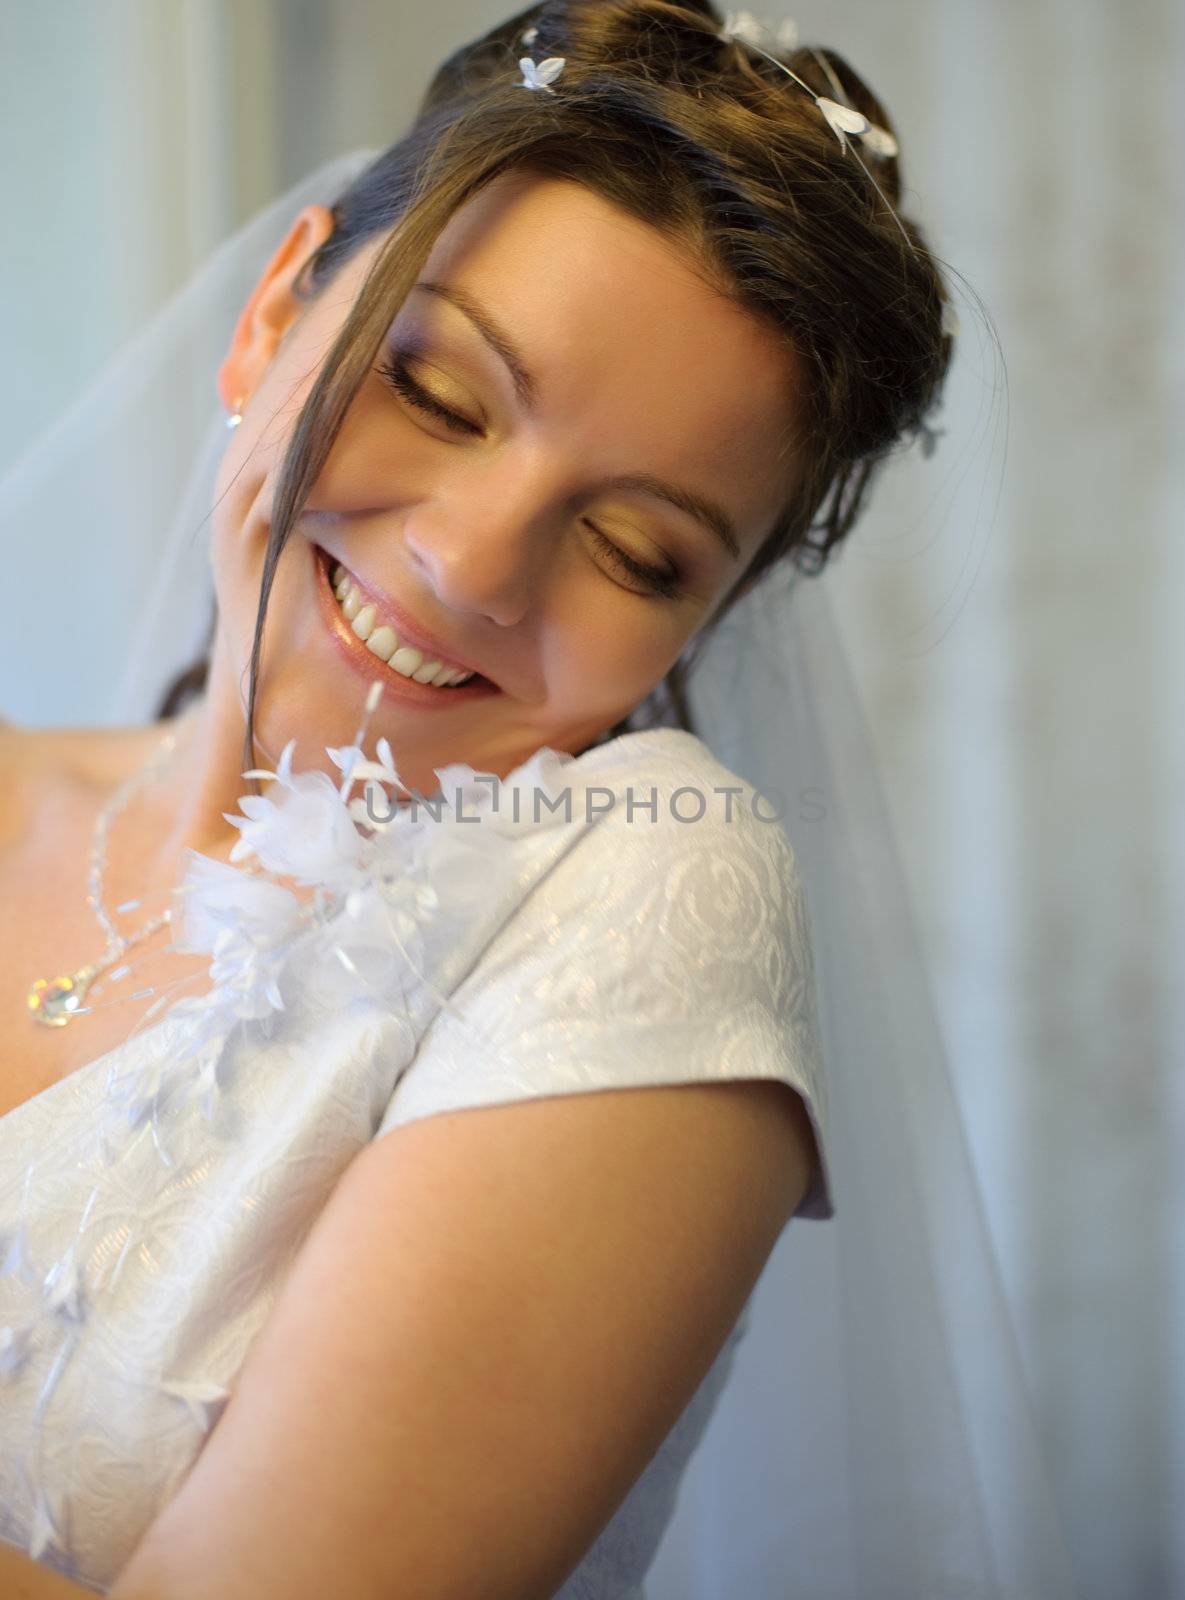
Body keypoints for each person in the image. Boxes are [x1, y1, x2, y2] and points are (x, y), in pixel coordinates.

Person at [0, 5, 1078, 1598]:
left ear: (702, 627)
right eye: (439, 392)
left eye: (639, 550)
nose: (471, 562)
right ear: (271, 313)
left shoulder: (648, 898)